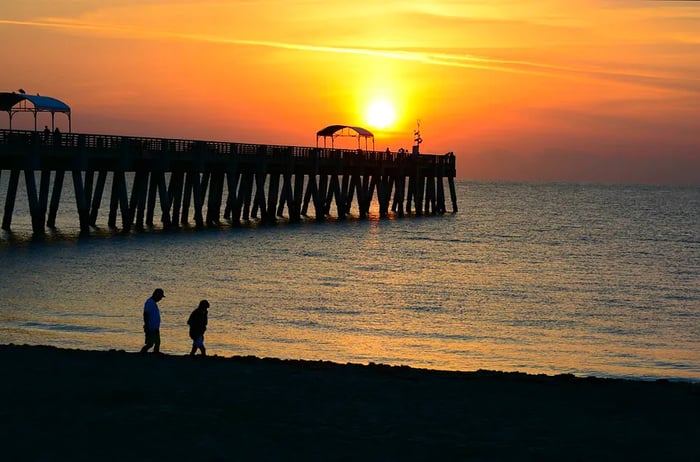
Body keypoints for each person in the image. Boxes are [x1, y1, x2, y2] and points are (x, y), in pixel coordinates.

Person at [140, 288, 165, 354]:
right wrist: (147, 325)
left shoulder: (153, 303)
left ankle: (155, 352)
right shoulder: (150, 303)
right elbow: (146, 314)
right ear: (156, 295)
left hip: (154, 327)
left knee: (157, 342)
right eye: (160, 297)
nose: (160, 299)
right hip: (150, 327)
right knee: (150, 343)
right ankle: (142, 353)